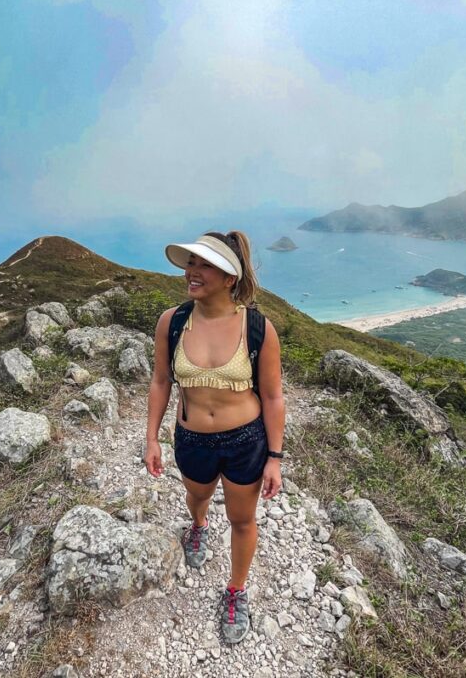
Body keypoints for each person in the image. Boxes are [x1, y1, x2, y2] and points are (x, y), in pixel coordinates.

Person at [143, 230, 285, 645]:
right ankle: (199, 526)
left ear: (229, 278)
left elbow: (274, 396)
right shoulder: (172, 322)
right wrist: (151, 438)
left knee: (242, 519)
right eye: (191, 263)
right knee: (197, 497)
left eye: (204, 265)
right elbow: (160, 381)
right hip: (192, 439)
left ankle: (236, 591)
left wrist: (274, 456)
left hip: (246, 441)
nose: (192, 271)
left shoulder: (257, 328)